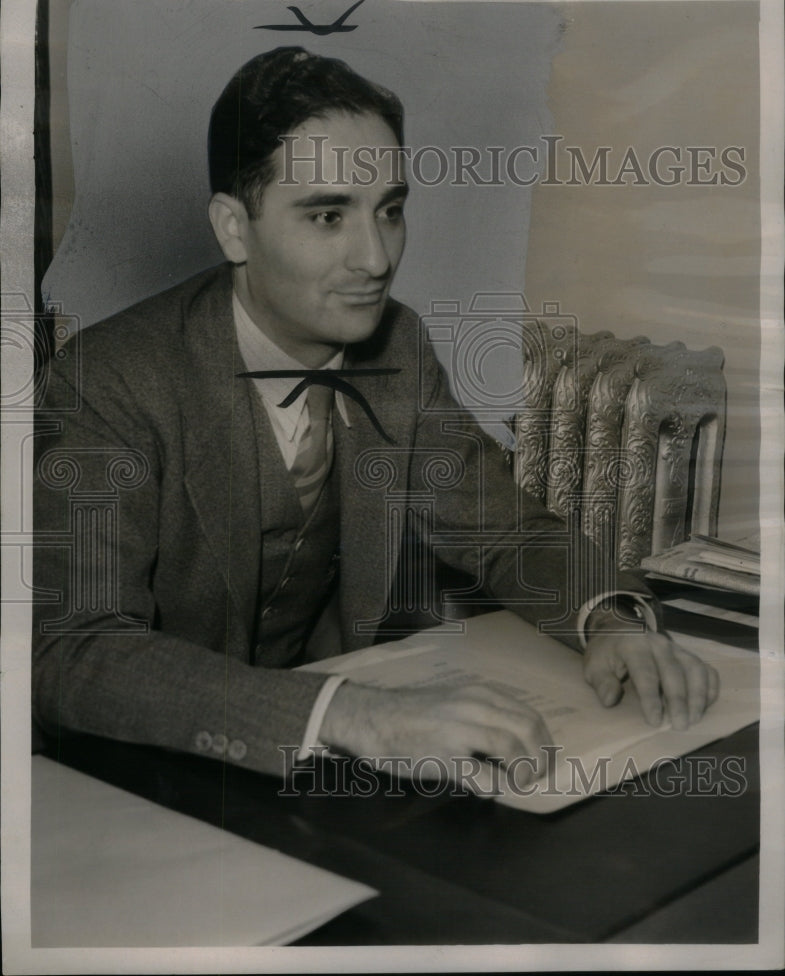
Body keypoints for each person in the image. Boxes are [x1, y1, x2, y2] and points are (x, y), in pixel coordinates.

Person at [33, 46, 718, 794]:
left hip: (320, 769)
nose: (375, 256)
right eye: (327, 215)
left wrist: (610, 619)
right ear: (234, 228)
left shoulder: (396, 345)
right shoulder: (111, 377)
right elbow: (71, 649)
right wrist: (349, 713)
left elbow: (503, 531)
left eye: (388, 210)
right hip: (140, 775)